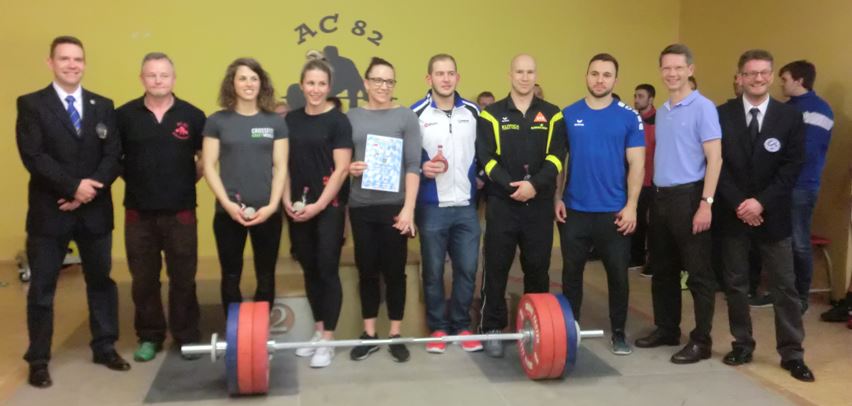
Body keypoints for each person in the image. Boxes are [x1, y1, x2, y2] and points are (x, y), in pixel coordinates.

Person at [16, 35, 127, 388]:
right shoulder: (32, 104)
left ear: (85, 63)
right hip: (50, 212)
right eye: (64, 58)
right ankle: (38, 359)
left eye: (77, 59)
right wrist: (71, 187)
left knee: (101, 282)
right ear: (50, 63)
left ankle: (105, 346)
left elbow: (113, 155)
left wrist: (87, 191)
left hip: (94, 210)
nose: (72, 65)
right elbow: (34, 156)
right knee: (42, 289)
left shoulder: (102, 105)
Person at [716, 49, 814, 382]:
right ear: (740, 77)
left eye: (763, 73)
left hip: (773, 215)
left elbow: (792, 167)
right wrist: (740, 204)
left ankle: (792, 353)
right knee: (735, 284)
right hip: (733, 214)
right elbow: (716, 165)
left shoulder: (790, 117)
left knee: (784, 286)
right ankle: (742, 344)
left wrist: (760, 203)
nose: (757, 79)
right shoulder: (722, 114)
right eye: (750, 73)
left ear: (770, 77)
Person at [635, 44, 722, 365]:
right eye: (666, 68)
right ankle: (667, 329)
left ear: (690, 70)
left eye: (678, 68)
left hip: (689, 197)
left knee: (698, 274)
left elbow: (715, 158)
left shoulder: (704, 108)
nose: (672, 73)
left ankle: (701, 341)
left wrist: (706, 203)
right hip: (660, 197)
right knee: (663, 270)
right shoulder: (664, 111)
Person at [116, 52, 205, 362]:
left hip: (181, 212)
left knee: (184, 278)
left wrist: (184, 180)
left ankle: (186, 336)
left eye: (164, 75)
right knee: (143, 280)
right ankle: (150, 336)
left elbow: (204, 158)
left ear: (173, 79)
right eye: (151, 75)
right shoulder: (123, 116)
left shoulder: (193, 115)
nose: (158, 80)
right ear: (142, 78)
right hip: (138, 213)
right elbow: (115, 159)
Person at [477, 54, 566, 358]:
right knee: (496, 268)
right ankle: (491, 328)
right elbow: (486, 158)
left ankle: (536, 329)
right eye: (519, 71)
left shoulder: (553, 115)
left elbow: (557, 157)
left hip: (538, 207)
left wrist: (534, 186)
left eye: (530, 72)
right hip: (502, 204)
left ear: (536, 75)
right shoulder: (491, 115)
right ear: (510, 75)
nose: (525, 77)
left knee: (538, 270)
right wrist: (511, 187)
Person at [555, 53, 644, 355]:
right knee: (571, 275)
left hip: (614, 213)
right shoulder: (569, 114)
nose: (600, 80)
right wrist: (557, 197)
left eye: (607, 75)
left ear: (615, 80)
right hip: (575, 210)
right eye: (594, 73)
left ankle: (618, 333)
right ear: (586, 76)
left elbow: (637, 164)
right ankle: (571, 329)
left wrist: (632, 205)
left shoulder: (629, 116)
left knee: (618, 276)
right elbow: (560, 162)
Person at [346, 57, 421, 362]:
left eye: (389, 81)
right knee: (366, 271)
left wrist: (408, 209)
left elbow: (413, 165)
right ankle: (369, 334)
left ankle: (395, 334)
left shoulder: (406, 117)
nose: (383, 86)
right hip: (361, 206)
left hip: (394, 207)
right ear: (366, 83)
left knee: (395, 272)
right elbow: (341, 161)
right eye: (377, 80)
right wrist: (350, 168)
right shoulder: (351, 117)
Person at [202, 58, 288, 313]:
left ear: (262, 83)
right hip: (228, 213)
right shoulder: (217, 121)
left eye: (254, 78)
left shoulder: (275, 122)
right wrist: (227, 204)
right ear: (232, 83)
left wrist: (272, 206)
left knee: (266, 276)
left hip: (267, 213)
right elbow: (209, 166)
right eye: (242, 78)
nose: (248, 84)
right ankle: (234, 330)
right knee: (230, 276)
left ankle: (261, 331)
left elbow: (281, 166)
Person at [283, 51, 353, 368]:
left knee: (327, 269)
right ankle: (318, 330)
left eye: (321, 84)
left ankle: (328, 340)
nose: (315, 89)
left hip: (329, 207)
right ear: (301, 85)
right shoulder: (290, 120)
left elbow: (341, 170)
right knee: (310, 270)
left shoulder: (338, 121)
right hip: (297, 207)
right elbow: (282, 165)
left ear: (329, 87)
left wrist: (320, 205)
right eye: (310, 83)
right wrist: (286, 200)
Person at [411, 54, 483, 353]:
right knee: (433, 271)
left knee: (467, 269)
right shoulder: (415, 113)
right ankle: (438, 328)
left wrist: (481, 176)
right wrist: (421, 169)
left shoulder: (473, 112)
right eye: (439, 74)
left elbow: (486, 151)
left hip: (466, 206)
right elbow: (405, 159)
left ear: (457, 77)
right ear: (429, 78)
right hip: (431, 207)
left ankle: (462, 326)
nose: (445, 79)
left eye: (450, 73)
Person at [779, 60, 835, 313]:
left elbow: (807, 151)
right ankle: (782, 292)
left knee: (799, 242)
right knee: (779, 243)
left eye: (785, 80)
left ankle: (800, 297)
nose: (782, 85)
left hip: (802, 185)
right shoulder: (785, 109)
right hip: (780, 186)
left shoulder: (819, 109)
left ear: (799, 80)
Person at [632, 83, 657, 278]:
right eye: (635, 96)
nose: (636, 100)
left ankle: (653, 261)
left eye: (640, 96)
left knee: (653, 223)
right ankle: (636, 257)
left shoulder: (660, 121)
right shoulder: (633, 119)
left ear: (651, 99)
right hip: (636, 179)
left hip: (654, 180)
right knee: (637, 219)